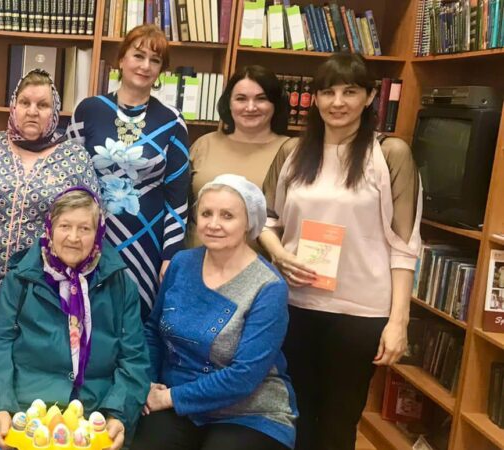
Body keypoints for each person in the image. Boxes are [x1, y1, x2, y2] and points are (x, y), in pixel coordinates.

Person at [259, 52, 422, 450]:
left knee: (339, 419)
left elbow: (405, 246)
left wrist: (398, 321)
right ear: (314, 98)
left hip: (360, 311)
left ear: (370, 98)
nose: (337, 102)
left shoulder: (390, 154)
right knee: (295, 413)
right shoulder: (293, 152)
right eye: (328, 92)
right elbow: (264, 220)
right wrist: (279, 254)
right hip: (295, 303)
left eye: (350, 92)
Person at [0, 187, 149, 450]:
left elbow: (134, 359)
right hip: (27, 412)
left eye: (84, 228)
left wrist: (118, 414)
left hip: (95, 415)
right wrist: (0, 406)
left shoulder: (120, 284)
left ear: (99, 233)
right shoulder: (21, 279)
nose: (73, 237)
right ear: (50, 228)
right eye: (65, 226)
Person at [135, 174, 296, 450]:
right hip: (174, 400)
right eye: (206, 213)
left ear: (249, 223)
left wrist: (169, 398)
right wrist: (147, 383)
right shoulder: (181, 263)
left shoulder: (268, 287)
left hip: (248, 411)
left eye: (227, 216)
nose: (213, 224)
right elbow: (153, 332)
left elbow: (244, 376)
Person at [0, 68, 99, 317]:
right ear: (14, 106)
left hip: (42, 289)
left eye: (43, 105)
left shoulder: (74, 157)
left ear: (55, 112)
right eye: (25, 102)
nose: (32, 111)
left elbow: (93, 218)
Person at [68, 24, 190, 317]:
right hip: (90, 236)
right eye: (138, 56)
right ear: (121, 59)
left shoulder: (173, 121)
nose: (145, 66)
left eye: (155, 60)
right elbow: (68, 179)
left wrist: (170, 255)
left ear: (161, 70)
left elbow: (178, 197)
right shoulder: (89, 109)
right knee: (85, 316)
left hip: (147, 242)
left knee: (136, 321)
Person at [186, 65, 289, 249]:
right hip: (196, 258)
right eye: (241, 99)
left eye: (261, 99)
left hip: (259, 262)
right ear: (229, 103)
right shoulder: (204, 144)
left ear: (275, 104)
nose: (250, 107)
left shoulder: (289, 151)